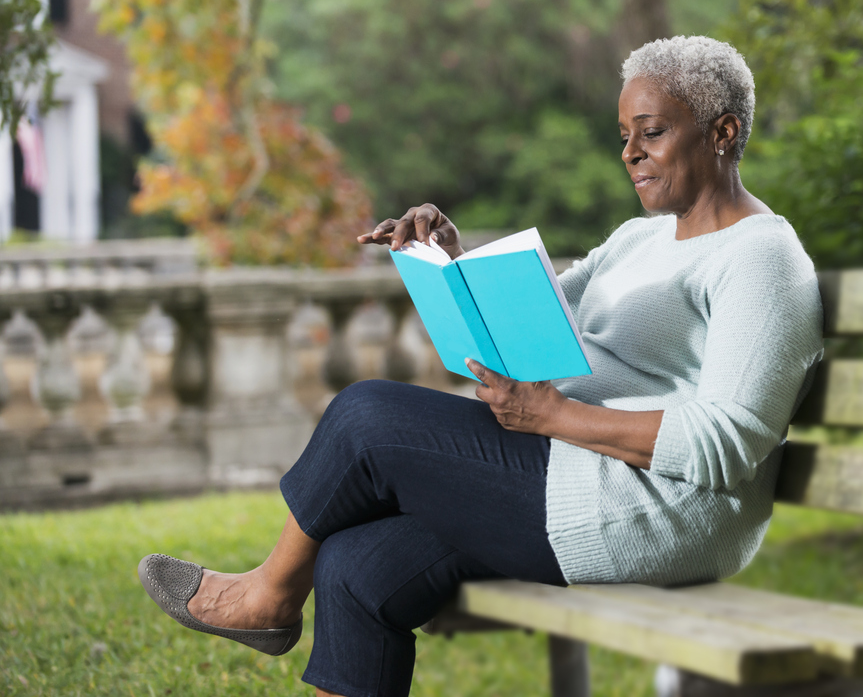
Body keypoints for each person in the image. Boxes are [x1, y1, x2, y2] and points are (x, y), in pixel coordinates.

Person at [138, 35, 823, 697]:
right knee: (356, 566)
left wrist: (555, 414)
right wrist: (451, 261)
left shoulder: (760, 258)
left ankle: (270, 594)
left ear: (723, 132)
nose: (630, 153)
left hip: (660, 510)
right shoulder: (641, 237)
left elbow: (730, 442)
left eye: (652, 132)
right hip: (571, 465)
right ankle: (281, 594)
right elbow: (535, 323)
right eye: (624, 135)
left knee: (366, 416)